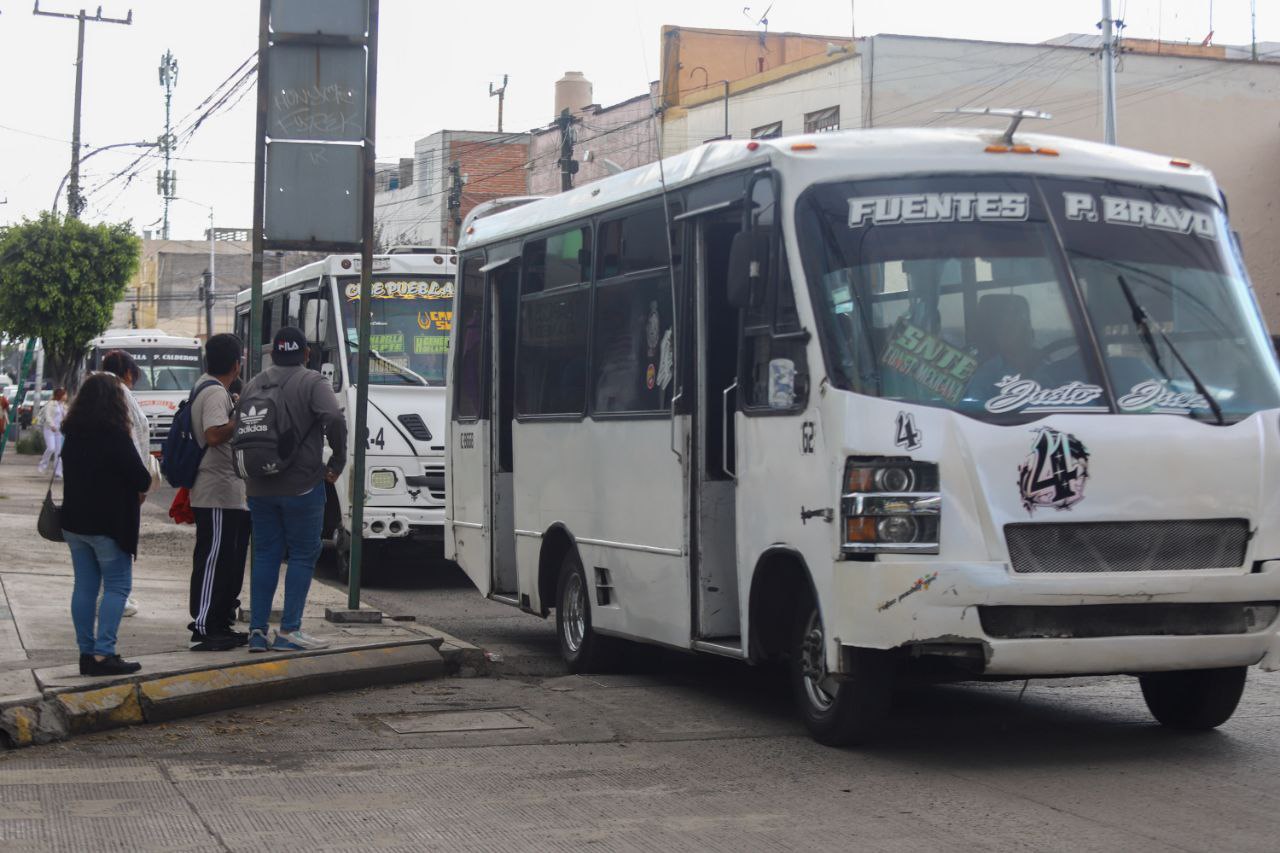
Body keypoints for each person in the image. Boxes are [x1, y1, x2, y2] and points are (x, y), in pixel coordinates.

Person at [242, 327, 347, 652]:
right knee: (303, 555)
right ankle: (289, 631)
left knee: (266, 555)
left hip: (259, 485)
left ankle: (257, 632)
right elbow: (334, 418)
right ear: (305, 354)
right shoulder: (313, 381)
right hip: (302, 483)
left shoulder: (253, 383)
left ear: (273, 353)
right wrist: (337, 463)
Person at [59, 373, 150, 676]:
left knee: (84, 586)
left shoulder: (71, 431)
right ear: (115, 401)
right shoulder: (114, 434)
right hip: (108, 525)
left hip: (74, 523)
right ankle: (103, 653)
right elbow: (141, 477)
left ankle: (86, 654)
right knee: (117, 586)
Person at [187, 334, 250, 651]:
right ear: (236, 364)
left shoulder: (213, 387)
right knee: (213, 559)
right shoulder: (214, 392)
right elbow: (214, 435)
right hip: (216, 490)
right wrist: (239, 418)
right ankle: (204, 625)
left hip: (226, 491)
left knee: (227, 559)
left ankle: (220, 622)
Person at [100, 350, 151, 618]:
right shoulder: (122, 395)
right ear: (128, 373)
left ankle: (111, 595)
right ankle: (119, 596)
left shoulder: (95, 393)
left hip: (97, 485)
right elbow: (135, 438)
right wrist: (141, 482)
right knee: (120, 542)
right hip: (124, 483)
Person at [37, 387, 67, 479]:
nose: (66, 396)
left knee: (59, 452)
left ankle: (58, 472)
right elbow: (48, 415)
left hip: (60, 431)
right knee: (51, 448)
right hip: (50, 429)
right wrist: (52, 425)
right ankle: (43, 465)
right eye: (65, 394)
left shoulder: (64, 406)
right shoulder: (51, 404)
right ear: (60, 395)